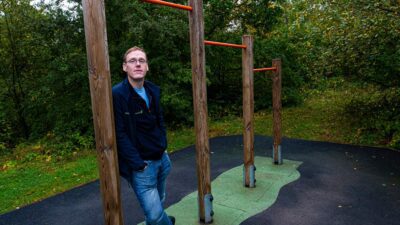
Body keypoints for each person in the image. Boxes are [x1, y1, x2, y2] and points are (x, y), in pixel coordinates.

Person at [112, 46, 175, 225]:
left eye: (142, 60)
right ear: (125, 67)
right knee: (155, 214)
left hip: (162, 159)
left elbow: (159, 120)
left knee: (159, 202)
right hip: (142, 166)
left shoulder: (152, 90)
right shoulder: (118, 94)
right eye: (132, 61)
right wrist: (138, 164)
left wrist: (163, 145)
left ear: (147, 66)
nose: (138, 64)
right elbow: (119, 133)